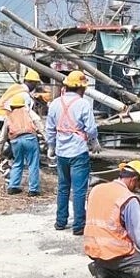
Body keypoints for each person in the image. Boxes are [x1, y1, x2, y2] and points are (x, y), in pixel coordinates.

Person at [84, 161, 140, 278]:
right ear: (134, 180)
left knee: (114, 260)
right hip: (114, 252)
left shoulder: (97, 189)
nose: (139, 189)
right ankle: (107, 271)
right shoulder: (127, 197)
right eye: (139, 185)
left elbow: (102, 215)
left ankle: (102, 266)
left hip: (94, 249)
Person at [45, 71, 100, 235]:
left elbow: (50, 128)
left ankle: (60, 222)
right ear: (80, 88)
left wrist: (51, 146)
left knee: (63, 188)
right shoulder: (83, 104)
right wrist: (94, 141)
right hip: (78, 152)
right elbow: (90, 128)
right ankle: (78, 226)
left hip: (61, 152)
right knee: (79, 190)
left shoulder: (55, 104)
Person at [0, 94, 44, 196]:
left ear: (12, 106)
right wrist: (47, 139)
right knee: (33, 164)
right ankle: (33, 189)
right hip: (30, 138)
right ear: (24, 105)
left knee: (17, 162)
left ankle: (13, 186)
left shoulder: (9, 116)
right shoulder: (29, 112)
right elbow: (39, 124)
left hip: (15, 141)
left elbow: (3, 135)